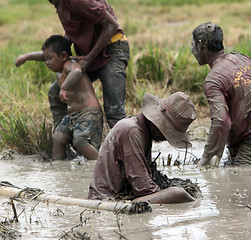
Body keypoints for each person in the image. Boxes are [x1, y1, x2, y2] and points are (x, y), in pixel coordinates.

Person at [16, 0, 129, 129]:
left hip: (111, 50)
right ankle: (63, 137)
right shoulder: (60, 4)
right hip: (89, 54)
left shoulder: (76, 1)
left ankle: (133, 145)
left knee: (115, 114)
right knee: (55, 93)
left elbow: (111, 25)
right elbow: (64, 44)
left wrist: (89, 58)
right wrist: (30, 56)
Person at [191, 22, 251, 167]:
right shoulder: (242, 59)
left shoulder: (214, 79)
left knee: (239, 183)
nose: (191, 49)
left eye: (192, 44)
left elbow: (221, 121)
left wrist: (206, 160)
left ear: (201, 45)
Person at [88, 92, 197, 204]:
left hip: (125, 194)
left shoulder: (142, 131)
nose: (165, 138)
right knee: (178, 194)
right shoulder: (132, 131)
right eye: (167, 132)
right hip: (107, 199)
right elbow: (144, 189)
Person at [21, 35, 103, 160]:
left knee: (80, 141)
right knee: (58, 137)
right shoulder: (59, 68)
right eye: (45, 59)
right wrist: (25, 57)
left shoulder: (69, 65)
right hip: (72, 115)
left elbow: (77, 72)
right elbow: (41, 56)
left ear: (63, 56)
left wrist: (64, 88)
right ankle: (59, 167)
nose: (47, 63)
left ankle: (101, 164)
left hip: (88, 113)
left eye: (49, 59)